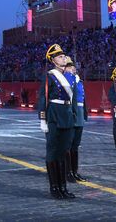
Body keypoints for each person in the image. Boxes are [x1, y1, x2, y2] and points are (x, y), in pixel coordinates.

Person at [38, 44, 76, 199]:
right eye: (59, 56)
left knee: (63, 152)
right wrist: (42, 119)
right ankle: (54, 187)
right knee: (53, 152)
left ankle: (63, 187)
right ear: (53, 60)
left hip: (67, 116)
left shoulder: (68, 76)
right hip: (54, 116)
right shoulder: (49, 76)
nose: (63, 58)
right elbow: (43, 97)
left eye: (63, 56)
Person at [64, 57, 87, 183]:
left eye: (72, 65)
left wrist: (84, 114)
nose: (72, 67)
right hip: (71, 114)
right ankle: (68, 172)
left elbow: (83, 99)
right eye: (69, 65)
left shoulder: (77, 79)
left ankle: (74, 171)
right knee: (69, 144)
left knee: (75, 145)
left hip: (79, 113)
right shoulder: (67, 77)